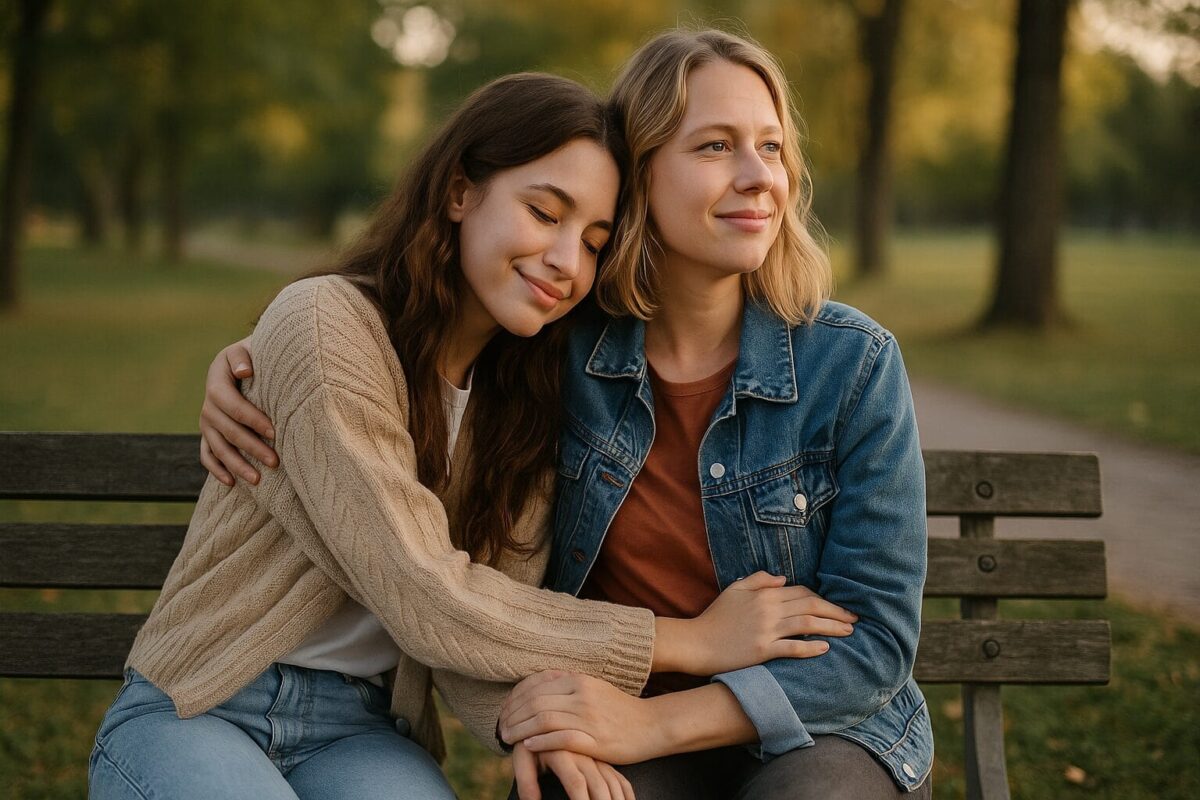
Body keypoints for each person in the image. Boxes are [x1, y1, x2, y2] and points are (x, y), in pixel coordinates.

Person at [200, 29, 932, 800]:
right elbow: (410, 337)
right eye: (716, 146)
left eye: (772, 147)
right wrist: (255, 360)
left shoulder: (852, 365)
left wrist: (656, 723)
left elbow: (875, 645)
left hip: (823, 728)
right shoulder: (558, 345)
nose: (758, 177)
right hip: (620, 713)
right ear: (638, 178)